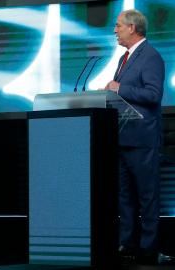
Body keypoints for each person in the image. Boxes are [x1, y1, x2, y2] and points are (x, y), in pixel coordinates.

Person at [103, 9, 164, 264]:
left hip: (142, 139)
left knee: (147, 196)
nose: (114, 30)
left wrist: (120, 88)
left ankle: (148, 249)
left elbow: (153, 94)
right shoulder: (124, 58)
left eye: (118, 26)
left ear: (132, 28)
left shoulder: (150, 57)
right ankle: (126, 244)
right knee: (124, 197)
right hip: (122, 137)